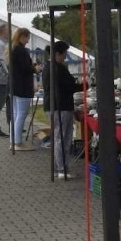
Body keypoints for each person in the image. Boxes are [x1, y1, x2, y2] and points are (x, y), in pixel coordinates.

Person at [47, 42, 81, 179]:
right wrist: (83, 85)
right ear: (58, 54)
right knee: (63, 138)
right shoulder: (59, 68)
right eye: (64, 54)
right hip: (62, 106)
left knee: (58, 136)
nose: (65, 57)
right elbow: (70, 86)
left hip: (53, 106)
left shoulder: (47, 67)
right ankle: (62, 168)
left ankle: (59, 166)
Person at [9, 28, 37, 150]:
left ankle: (13, 141)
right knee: (22, 114)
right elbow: (25, 69)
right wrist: (35, 68)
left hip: (14, 85)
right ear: (22, 37)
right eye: (27, 37)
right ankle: (18, 142)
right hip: (22, 87)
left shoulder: (13, 49)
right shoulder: (21, 51)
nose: (28, 40)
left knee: (16, 114)